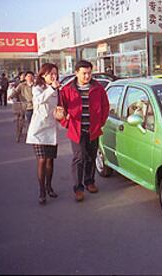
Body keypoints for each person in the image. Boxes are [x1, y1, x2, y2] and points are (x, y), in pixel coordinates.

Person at [59, 60, 109, 202]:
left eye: (89, 73)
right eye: (84, 73)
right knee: (79, 158)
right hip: (77, 130)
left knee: (91, 157)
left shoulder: (98, 88)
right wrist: (67, 123)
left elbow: (105, 107)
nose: (87, 76)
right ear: (76, 73)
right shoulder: (67, 90)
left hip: (93, 129)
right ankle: (78, 188)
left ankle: (89, 182)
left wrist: (100, 123)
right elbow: (60, 110)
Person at [26, 63, 60, 204]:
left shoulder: (57, 88)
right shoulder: (37, 88)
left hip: (51, 128)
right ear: (43, 75)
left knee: (50, 161)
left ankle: (48, 186)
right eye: (50, 74)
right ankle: (41, 190)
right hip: (39, 130)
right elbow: (39, 100)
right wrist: (52, 87)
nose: (54, 76)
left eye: (55, 73)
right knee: (42, 160)